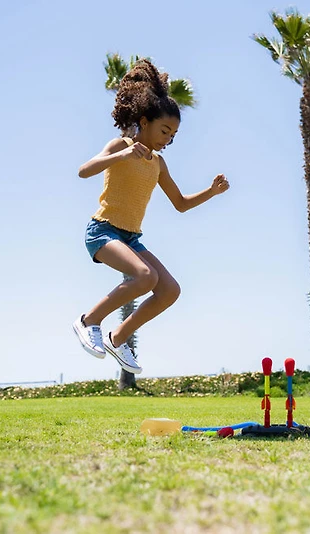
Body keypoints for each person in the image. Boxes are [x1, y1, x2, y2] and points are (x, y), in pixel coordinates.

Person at [73, 58, 229, 374]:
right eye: (164, 130)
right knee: (146, 277)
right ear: (144, 122)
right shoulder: (121, 145)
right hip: (102, 231)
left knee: (169, 289)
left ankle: (117, 339)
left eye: (173, 134)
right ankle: (89, 321)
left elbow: (181, 203)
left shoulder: (158, 164)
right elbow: (83, 171)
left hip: (130, 238)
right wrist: (123, 153)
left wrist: (211, 192)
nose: (168, 138)